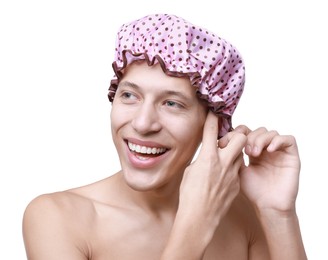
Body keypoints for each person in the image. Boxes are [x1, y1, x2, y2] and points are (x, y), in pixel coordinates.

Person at [22, 13, 307, 259]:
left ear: (214, 122)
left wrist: (277, 214)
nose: (143, 123)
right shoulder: (57, 218)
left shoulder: (245, 220)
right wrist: (194, 225)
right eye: (129, 95)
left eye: (172, 103)